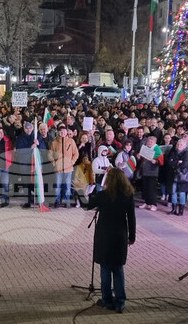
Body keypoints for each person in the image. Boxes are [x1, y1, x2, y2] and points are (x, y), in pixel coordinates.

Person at [85, 167, 136, 313]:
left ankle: (107, 300)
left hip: (104, 235)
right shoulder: (128, 195)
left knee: (105, 268)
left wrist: (85, 192)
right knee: (118, 269)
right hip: (120, 235)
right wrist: (132, 236)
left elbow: (87, 205)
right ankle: (120, 302)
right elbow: (131, 218)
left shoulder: (103, 195)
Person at [50, 124, 78, 208]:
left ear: (66, 132)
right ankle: (57, 201)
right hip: (58, 168)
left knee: (67, 186)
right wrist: (53, 162)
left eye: (64, 131)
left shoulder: (71, 141)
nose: (62, 133)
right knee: (57, 186)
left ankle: (67, 201)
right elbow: (50, 154)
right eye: (61, 131)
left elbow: (76, 153)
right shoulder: (54, 142)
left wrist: (72, 161)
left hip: (68, 168)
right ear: (58, 132)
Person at [166, 138, 188, 216]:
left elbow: (185, 164)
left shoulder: (186, 153)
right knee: (173, 192)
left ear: (184, 146)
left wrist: (175, 162)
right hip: (173, 175)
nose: (179, 146)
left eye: (181, 144)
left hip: (182, 176)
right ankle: (173, 209)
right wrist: (178, 162)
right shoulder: (173, 152)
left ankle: (181, 210)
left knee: (182, 193)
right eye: (178, 144)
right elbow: (169, 162)